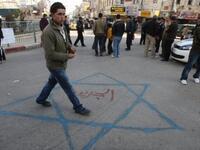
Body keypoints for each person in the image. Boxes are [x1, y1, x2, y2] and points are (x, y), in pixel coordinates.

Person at [36, 2, 90, 116]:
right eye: (59, 14)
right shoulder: (48, 32)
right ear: (52, 14)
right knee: (68, 87)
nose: (62, 17)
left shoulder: (62, 27)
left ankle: (40, 99)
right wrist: (67, 56)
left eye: (64, 14)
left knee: (51, 82)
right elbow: (49, 54)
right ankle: (78, 107)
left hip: (62, 64)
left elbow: (65, 41)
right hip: (55, 66)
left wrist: (70, 47)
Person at [180, 17, 200, 85]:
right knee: (190, 64)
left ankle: (196, 76)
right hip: (196, 49)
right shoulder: (198, 28)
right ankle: (183, 77)